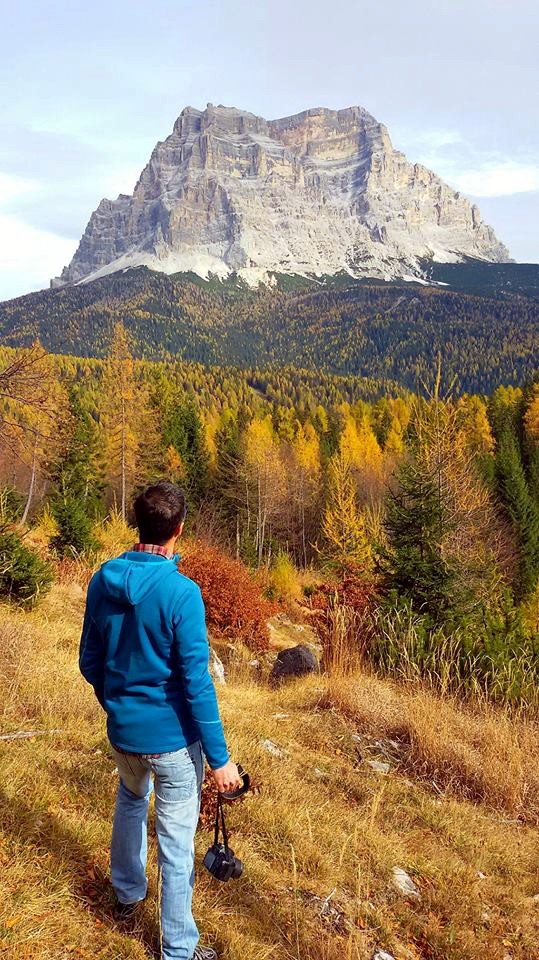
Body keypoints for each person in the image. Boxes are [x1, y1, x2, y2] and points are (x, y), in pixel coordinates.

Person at [79, 481, 241, 960]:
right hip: (172, 742)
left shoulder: (101, 578)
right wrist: (220, 762)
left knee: (131, 800)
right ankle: (177, 948)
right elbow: (197, 684)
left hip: (123, 734)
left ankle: (127, 895)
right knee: (174, 837)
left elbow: (90, 661)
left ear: (138, 524)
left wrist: (117, 703)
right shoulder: (181, 593)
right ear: (179, 530)